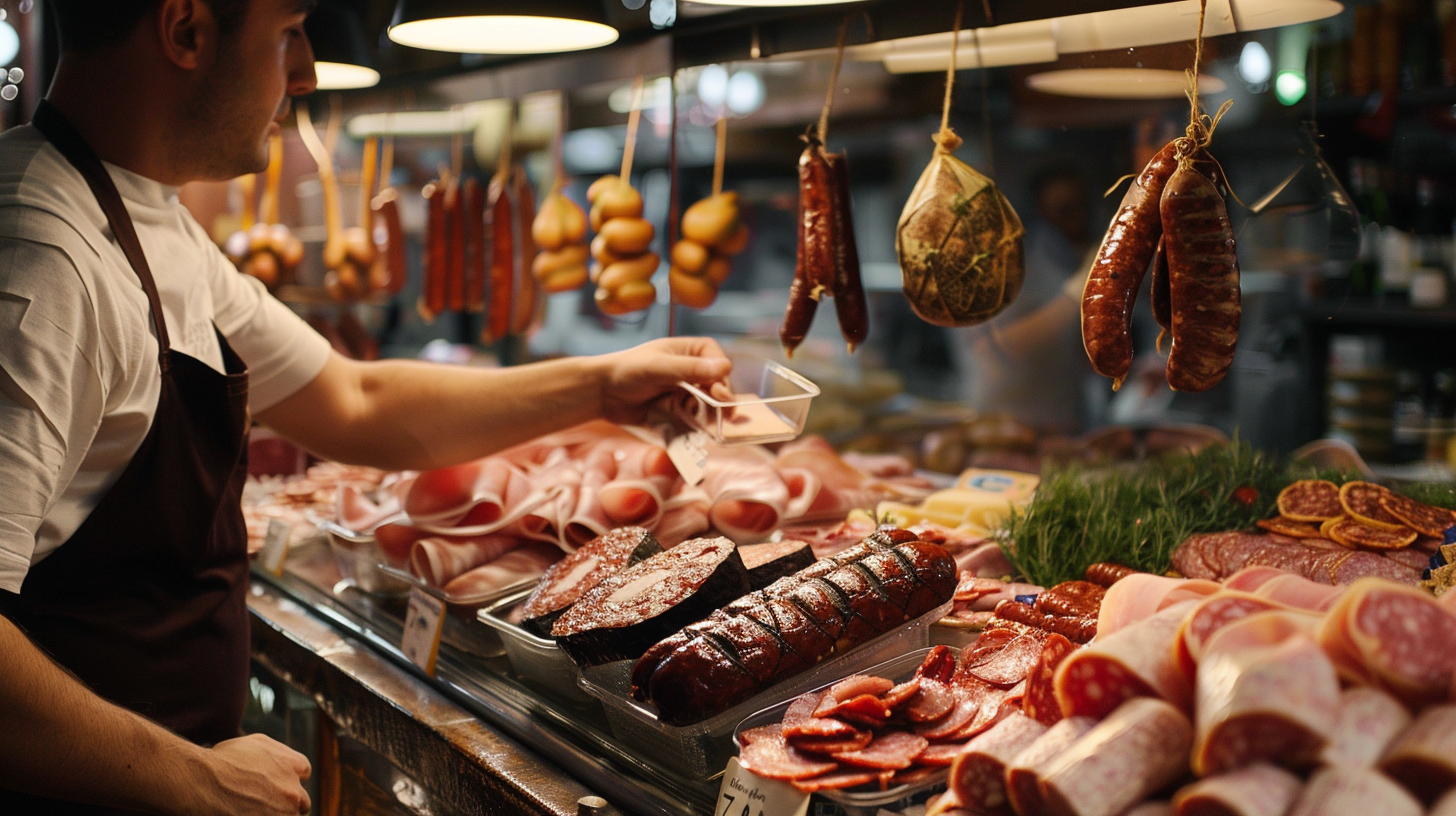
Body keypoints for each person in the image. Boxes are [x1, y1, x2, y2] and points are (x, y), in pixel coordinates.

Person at [0, 2, 730, 814]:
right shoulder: (42, 262)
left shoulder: (142, 214)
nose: (306, 71)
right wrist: (189, 776)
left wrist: (602, 384)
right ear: (185, 32)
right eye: (289, 31)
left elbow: (353, 399)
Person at [949, 162, 1096, 432]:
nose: (1077, 219)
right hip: (1005, 426)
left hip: (1065, 420)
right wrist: (1077, 294)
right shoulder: (991, 267)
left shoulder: (1067, 257)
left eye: (1081, 208)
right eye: (1064, 211)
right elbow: (992, 347)